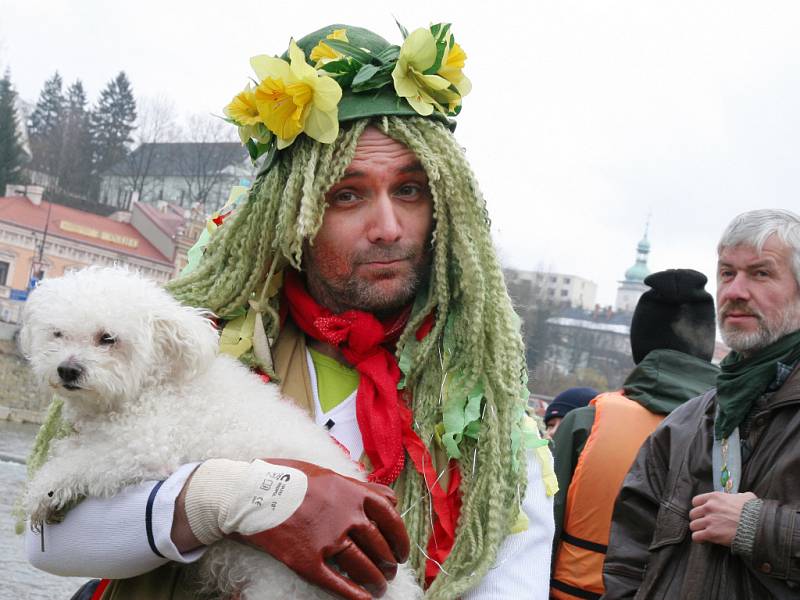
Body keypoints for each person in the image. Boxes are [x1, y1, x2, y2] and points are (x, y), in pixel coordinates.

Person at [24, 23, 556, 600]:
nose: (387, 227)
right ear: (290, 213)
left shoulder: (490, 415)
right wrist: (223, 499)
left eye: (410, 191)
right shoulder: (190, 344)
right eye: (347, 195)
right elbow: (49, 541)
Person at [603, 209, 800, 599]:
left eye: (760, 273)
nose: (735, 291)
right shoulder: (685, 424)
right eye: (727, 273)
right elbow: (627, 562)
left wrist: (758, 527)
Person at [549, 269, 719, 599]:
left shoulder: (586, 423)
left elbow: (537, 536)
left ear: (639, 345)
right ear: (707, 347)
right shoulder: (740, 430)